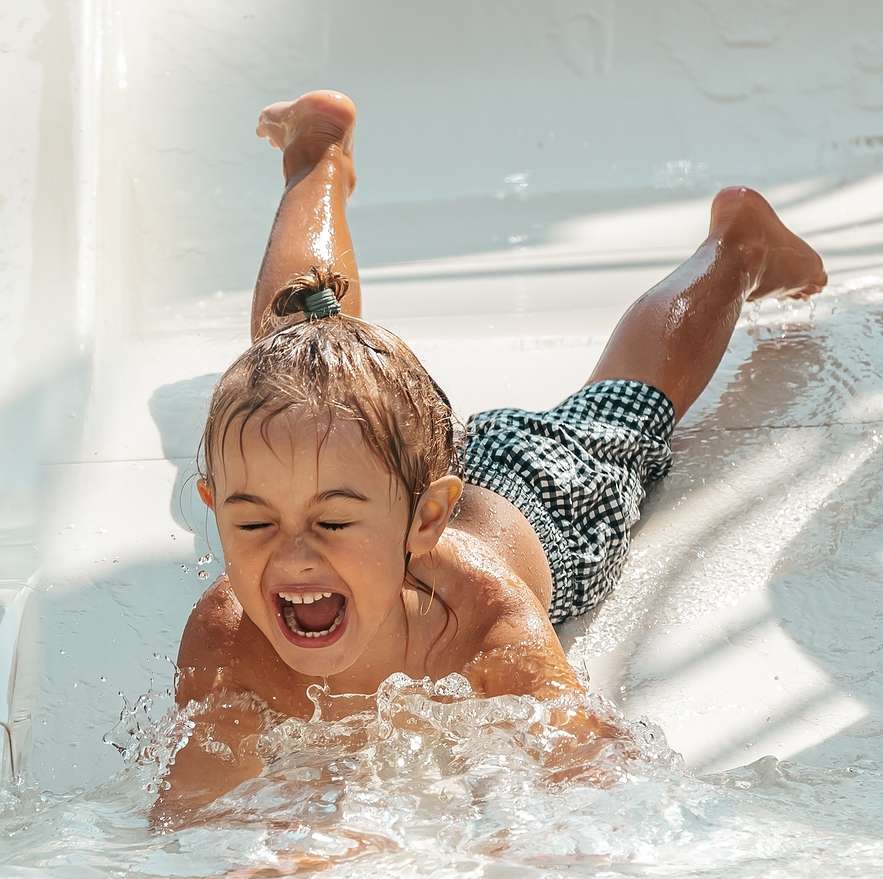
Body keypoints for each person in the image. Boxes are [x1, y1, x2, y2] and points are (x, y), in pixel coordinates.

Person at [153, 89, 827, 825]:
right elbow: (189, 816)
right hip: (371, 472)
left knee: (627, 404)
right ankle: (316, 157)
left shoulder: (477, 618)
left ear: (426, 520)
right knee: (296, 358)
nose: (293, 557)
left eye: (331, 525)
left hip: (532, 492)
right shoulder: (228, 638)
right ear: (215, 508)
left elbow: (597, 786)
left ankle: (738, 249)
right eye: (254, 524)